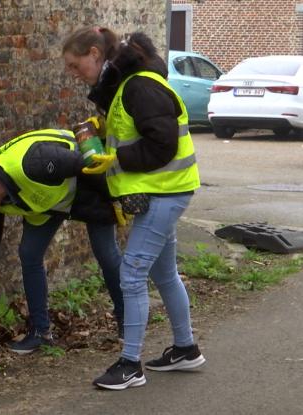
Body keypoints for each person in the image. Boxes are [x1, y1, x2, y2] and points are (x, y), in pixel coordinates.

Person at [62, 27, 206, 390]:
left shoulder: (140, 86)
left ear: (96, 54)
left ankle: (130, 365)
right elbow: (142, 132)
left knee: (132, 274)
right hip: (162, 190)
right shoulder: (129, 85)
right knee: (164, 273)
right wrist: (105, 130)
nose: (73, 74)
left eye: (75, 66)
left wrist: (116, 157)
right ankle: (185, 348)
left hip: (164, 192)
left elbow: (163, 145)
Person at [0, 128, 124, 354]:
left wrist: (117, 200)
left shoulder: (35, 163)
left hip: (89, 189)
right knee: (29, 253)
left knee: (106, 253)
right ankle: (41, 333)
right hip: (48, 204)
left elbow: (87, 164)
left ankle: (128, 321)